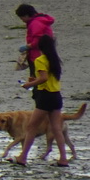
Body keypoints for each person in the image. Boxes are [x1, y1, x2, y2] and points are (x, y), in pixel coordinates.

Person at [11, 34, 69, 167]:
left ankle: (23, 157)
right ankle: (63, 159)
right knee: (56, 129)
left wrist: (29, 85)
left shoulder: (40, 60)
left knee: (31, 127)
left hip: (45, 96)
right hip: (56, 95)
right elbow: (48, 78)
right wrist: (35, 81)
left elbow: (43, 78)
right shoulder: (55, 59)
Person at [15, 4, 55, 80]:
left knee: (37, 78)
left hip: (37, 56)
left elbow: (38, 41)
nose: (22, 20)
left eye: (21, 18)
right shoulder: (40, 21)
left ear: (26, 15)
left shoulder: (35, 24)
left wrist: (27, 47)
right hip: (45, 54)